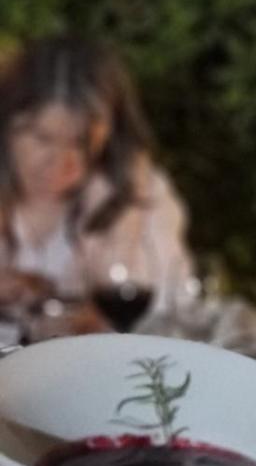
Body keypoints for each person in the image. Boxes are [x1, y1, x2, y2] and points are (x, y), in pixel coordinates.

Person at [0, 34, 193, 324]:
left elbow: (174, 311)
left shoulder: (137, 196)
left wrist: (123, 229)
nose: (61, 162)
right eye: (42, 138)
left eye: (80, 143)